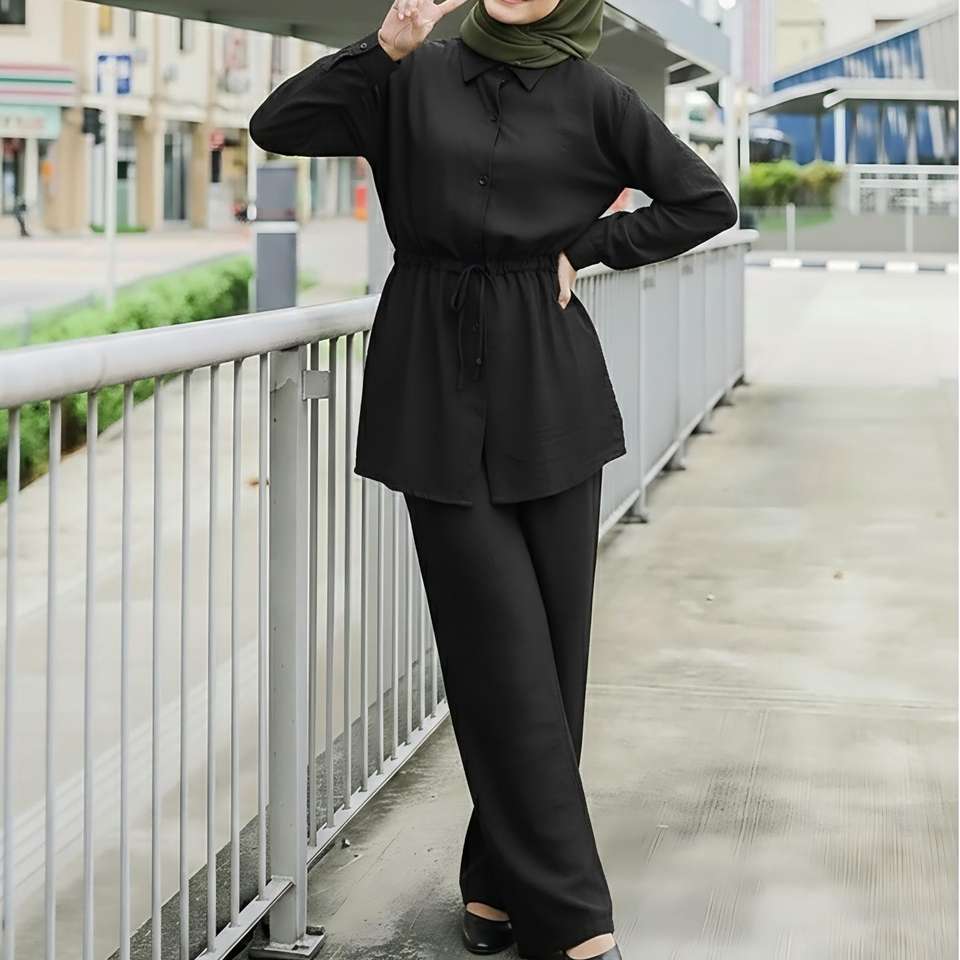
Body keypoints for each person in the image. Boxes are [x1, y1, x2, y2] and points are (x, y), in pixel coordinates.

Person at [249, 0, 738, 955]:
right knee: (499, 654)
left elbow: (704, 203)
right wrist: (381, 49)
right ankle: (572, 919)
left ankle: (497, 883)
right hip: (432, 381)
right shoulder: (412, 73)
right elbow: (279, 126)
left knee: (551, 662)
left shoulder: (597, 96)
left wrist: (589, 248)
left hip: (550, 388)